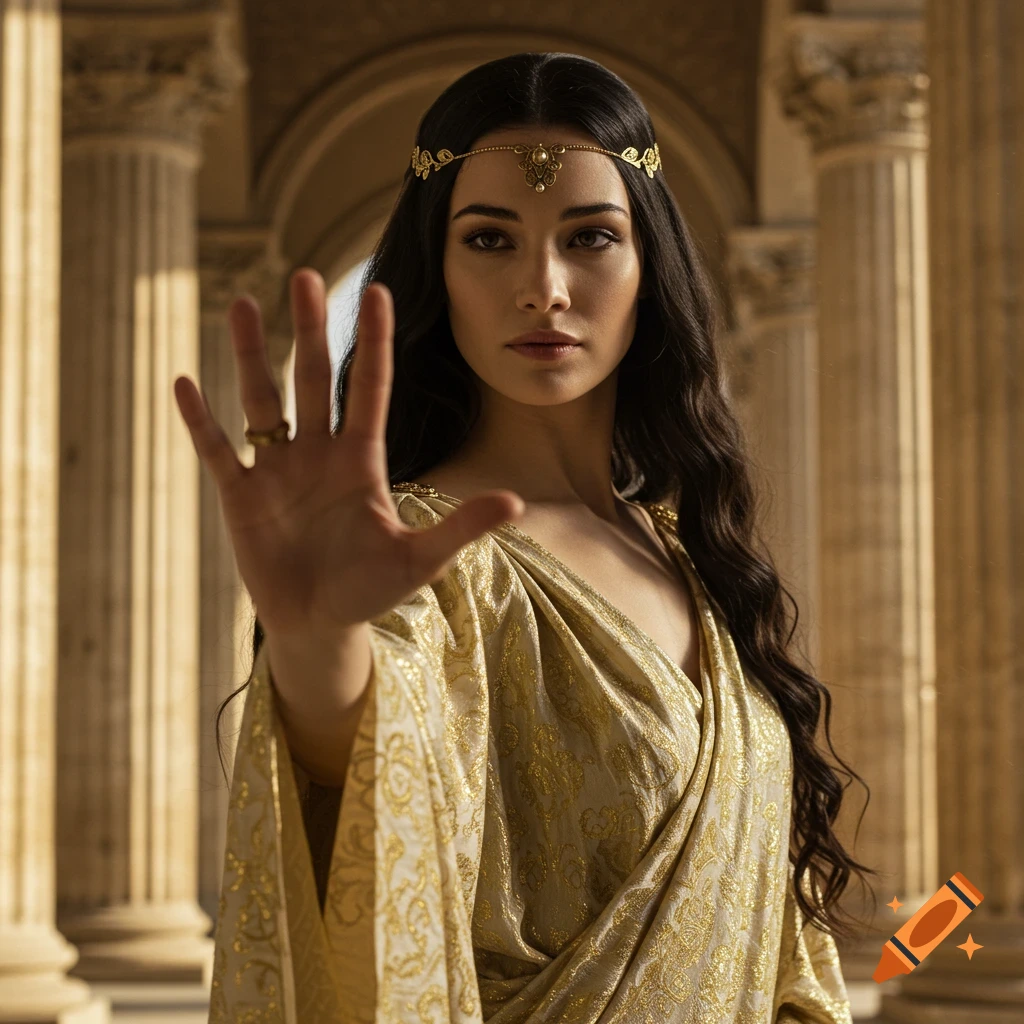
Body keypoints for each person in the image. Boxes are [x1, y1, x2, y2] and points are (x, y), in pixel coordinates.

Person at [174, 51, 879, 1024]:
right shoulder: (419, 551)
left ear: (648, 267)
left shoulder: (688, 553)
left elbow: (778, 954)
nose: (544, 286)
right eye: (489, 239)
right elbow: (375, 763)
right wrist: (316, 645)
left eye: (589, 237)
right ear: (438, 270)